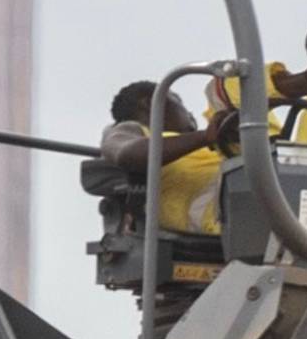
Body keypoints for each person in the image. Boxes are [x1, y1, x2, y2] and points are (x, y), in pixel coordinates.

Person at [97, 79, 233, 235]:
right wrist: (204, 137)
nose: (190, 113)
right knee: (225, 89)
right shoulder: (132, 131)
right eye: (178, 101)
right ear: (150, 103)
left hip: (250, 188)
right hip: (223, 212)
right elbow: (125, 154)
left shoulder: (199, 146)